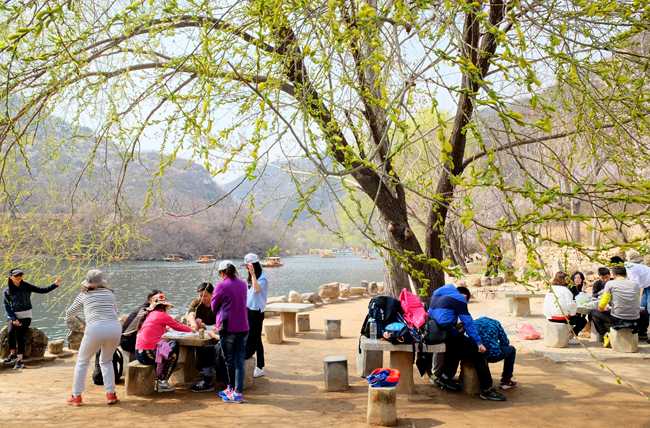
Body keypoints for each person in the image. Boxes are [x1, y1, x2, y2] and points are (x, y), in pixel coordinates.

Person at [428, 284, 506, 401]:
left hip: (434, 334)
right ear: (464, 296)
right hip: (448, 335)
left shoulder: (437, 294)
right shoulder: (459, 299)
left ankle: (445, 377)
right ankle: (487, 389)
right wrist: (479, 343)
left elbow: (435, 315)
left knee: (457, 347)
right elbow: (469, 323)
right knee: (479, 352)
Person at [65, 270, 121, 406]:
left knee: (82, 362)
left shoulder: (83, 294)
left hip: (95, 328)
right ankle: (111, 394)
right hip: (114, 328)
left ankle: (76, 396)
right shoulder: (110, 293)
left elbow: (69, 313)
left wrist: (84, 321)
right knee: (107, 361)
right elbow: (115, 311)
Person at [456, 288, 517, 390]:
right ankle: (506, 380)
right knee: (511, 350)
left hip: (475, 353)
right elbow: (505, 342)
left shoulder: (473, 323)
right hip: (492, 355)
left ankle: (461, 377)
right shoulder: (496, 324)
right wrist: (494, 343)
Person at [135, 293, 194, 392]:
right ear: (165, 306)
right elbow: (178, 326)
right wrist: (193, 330)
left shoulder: (150, 314)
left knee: (166, 347)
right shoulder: (162, 315)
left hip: (139, 354)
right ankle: (162, 381)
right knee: (174, 346)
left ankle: (160, 379)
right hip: (148, 355)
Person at [3, 268, 60, 369]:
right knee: (11, 332)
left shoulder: (26, 286)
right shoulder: (7, 291)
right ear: (11, 277)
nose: (19, 277)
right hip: (13, 316)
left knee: (19, 335)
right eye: (16, 276)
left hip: (25, 316)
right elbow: (7, 306)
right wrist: (14, 318)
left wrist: (54, 285)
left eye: (20, 275)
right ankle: (12, 354)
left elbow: (42, 290)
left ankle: (19, 360)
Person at [212, 260, 249, 403]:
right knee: (239, 360)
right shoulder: (243, 284)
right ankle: (236, 391)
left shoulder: (221, 285)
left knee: (229, 360)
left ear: (222, 272)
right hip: (243, 326)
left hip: (228, 327)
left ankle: (232, 389)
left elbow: (214, 307)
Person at [590, 264, 644, 347]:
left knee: (594, 312)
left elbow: (601, 306)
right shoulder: (635, 284)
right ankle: (642, 334)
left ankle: (605, 335)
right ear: (626, 274)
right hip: (635, 319)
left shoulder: (610, 284)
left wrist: (603, 308)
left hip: (618, 319)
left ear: (614, 275)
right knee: (645, 312)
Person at [187, 282, 219, 393]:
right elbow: (190, 314)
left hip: (215, 335)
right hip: (201, 334)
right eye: (200, 295)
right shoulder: (197, 303)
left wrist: (205, 326)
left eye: (205, 295)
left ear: (212, 294)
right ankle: (202, 371)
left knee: (207, 348)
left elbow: (218, 326)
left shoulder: (217, 304)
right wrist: (193, 322)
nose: (202, 298)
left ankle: (208, 379)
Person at [614, 252, 650, 341]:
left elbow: (635, 285)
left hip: (648, 285)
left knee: (649, 309)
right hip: (646, 285)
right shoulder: (626, 268)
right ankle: (642, 333)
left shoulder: (629, 268)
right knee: (642, 308)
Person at [244, 253, 268, 378]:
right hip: (249, 310)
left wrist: (253, 274)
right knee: (253, 337)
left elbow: (257, 289)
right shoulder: (249, 278)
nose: (247, 269)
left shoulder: (262, 278)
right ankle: (257, 365)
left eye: (248, 266)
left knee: (256, 337)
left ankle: (260, 366)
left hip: (257, 312)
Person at [119, 289, 163, 357]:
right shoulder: (146, 311)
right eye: (159, 299)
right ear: (150, 299)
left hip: (126, 340)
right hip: (128, 342)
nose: (162, 301)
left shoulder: (145, 308)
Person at [543, 271, 586, 337]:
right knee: (582, 321)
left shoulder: (550, 289)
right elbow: (571, 306)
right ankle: (572, 335)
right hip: (562, 318)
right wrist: (572, 313)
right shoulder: (566, 290)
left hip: (549, 316)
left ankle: (570, 334)